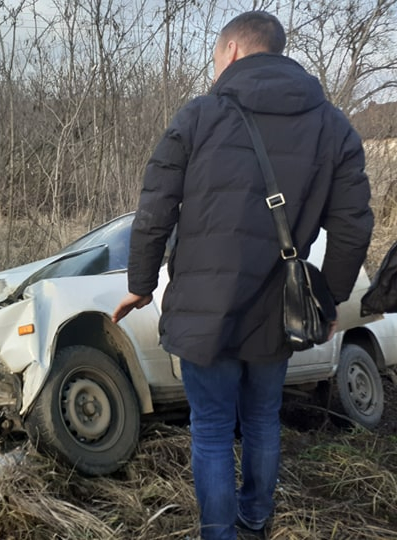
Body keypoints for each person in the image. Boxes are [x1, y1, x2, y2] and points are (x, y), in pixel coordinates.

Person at [112, 11, 373, 540]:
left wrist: (140, 284)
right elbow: (353, 228)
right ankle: (255, 521)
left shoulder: (199, 117)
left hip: (203, 310)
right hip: (277, 312)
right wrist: (327, 301)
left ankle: (218, 534)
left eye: (214, 58)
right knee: (260, 419)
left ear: (230, 51)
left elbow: (155, 210)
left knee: (210, 431)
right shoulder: (333, 126)